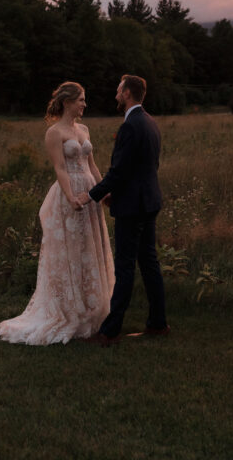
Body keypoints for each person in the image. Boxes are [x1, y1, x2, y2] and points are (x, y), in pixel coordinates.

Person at [0, 81, 114, 345]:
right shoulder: (54, 132)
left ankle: (92, 307)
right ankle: (70, 309)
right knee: (71, 249)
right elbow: (60, 167)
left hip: (90, 193)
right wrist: (71, 196)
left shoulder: (84, 129)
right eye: (81, 100)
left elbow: (91, 164)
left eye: (84, 100)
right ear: (67, 102)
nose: (84, 104)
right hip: (69, 193)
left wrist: (104, 190)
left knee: (89, 247)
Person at [76, 74, 168, 343]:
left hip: (134, 207)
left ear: (127, 93)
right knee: (149, 263)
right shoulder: (150, 122)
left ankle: (109, 331)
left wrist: (91, 195)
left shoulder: (131, 126)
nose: (115, 95)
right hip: (148, 201)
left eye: (118, 90)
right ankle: (158, 324)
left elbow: (119, 171)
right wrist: (114, 193)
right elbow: (141, 169)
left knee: (125, 266)